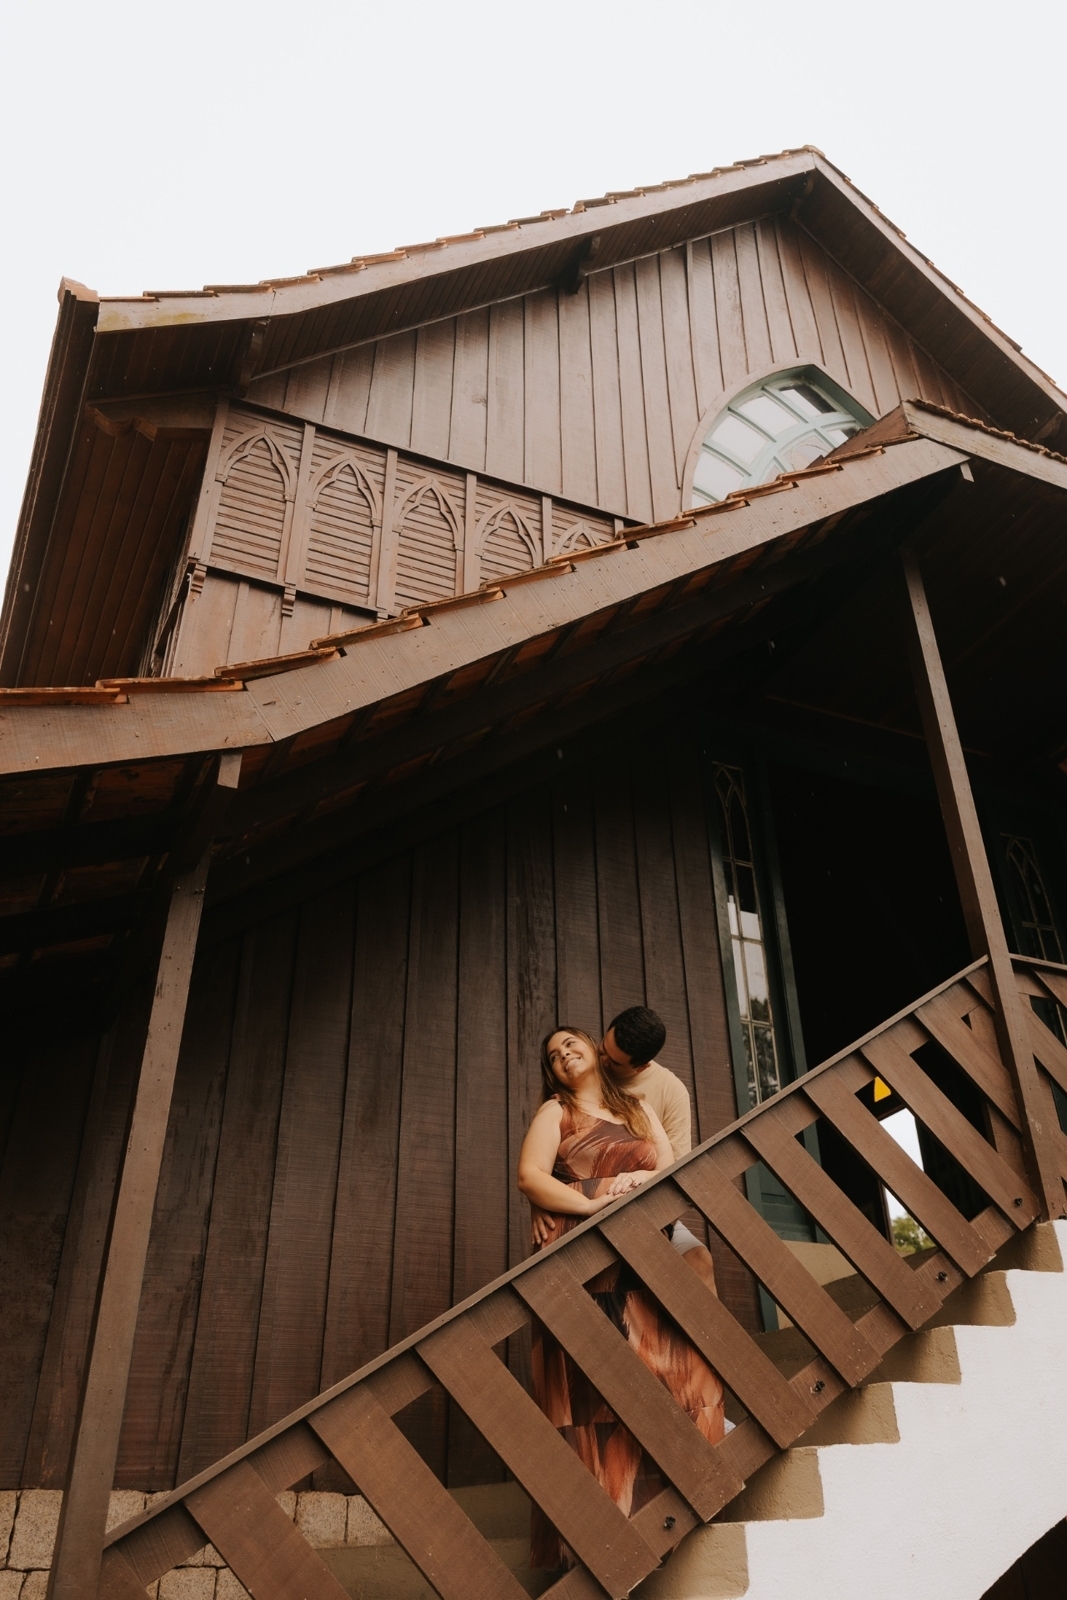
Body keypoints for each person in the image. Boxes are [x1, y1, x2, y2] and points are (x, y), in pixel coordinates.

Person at [518, 1026, 725, 1571]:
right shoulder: (555, 1112)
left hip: (642, 1253)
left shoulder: (637, 1107)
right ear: (552, 1073)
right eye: (553, 1055)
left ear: (593, 1048)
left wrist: (634, 1178)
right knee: (594, 1397)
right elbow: (530, 1176)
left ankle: (683, 1521)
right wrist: (590, 1203)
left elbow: (666, 1165)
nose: (564, 1055)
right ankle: (604, 1549)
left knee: (682, 1373)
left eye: (571, 1044)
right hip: (585, 1263)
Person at [531, 1006, 718, 1292]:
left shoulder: (667, 1093)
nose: (604, 1061)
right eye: (602, 1049)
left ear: (640, 1067)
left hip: (645, 1205)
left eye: (614, 1062)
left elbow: (673, 1171)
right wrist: (541, 1199)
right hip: (580, 1211)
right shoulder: (573, 1083)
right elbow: (537, 1164)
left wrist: (644, 1178)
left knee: (698, 1260)